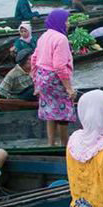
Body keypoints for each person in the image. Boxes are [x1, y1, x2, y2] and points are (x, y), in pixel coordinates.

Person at [30, 9, 76, 147]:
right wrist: (69, 88)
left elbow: (34, 59)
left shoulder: (44, 36)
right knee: (62, 112)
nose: (68, 24)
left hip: (42, 77)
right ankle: (64, 145)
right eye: (66, 21)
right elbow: (59, 66)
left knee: (50, 110)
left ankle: (51, 144)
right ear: (59, 22)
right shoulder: (61, 39)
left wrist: (36, 84)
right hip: (54, 79)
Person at [0, 50, 36, 118]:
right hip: (21, 96)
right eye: (29, 59)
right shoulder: (13, 74)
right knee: (33, 89)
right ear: (23, 62)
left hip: (33, 93)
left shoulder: (35, 68)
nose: (33, 61)